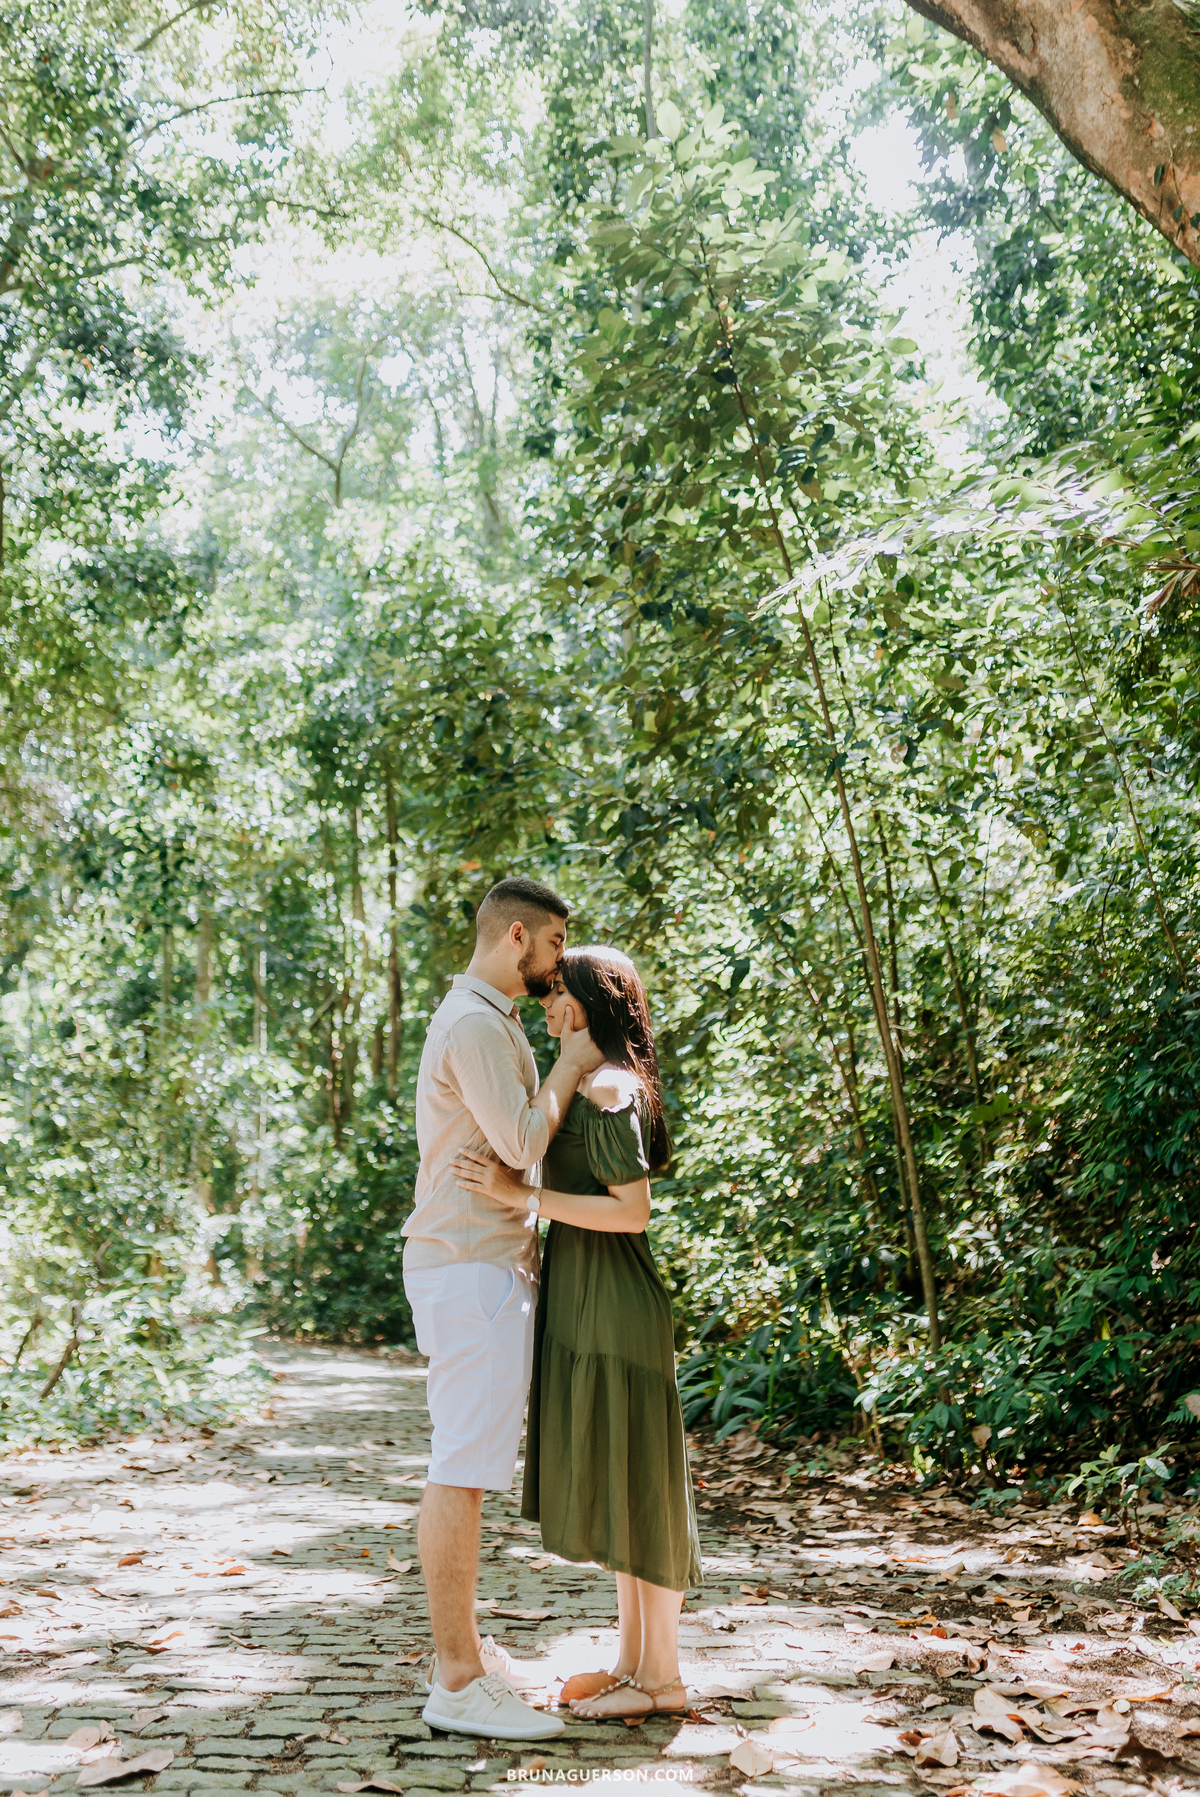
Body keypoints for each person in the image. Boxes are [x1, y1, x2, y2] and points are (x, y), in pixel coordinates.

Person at [453, 945, 702, 1722]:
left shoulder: (610, 1086)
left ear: (592, 1002)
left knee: (644, 1492)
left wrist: (516, 1197)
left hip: (615, 1301)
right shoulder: (588, 1080)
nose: (548, 1001)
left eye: (559, 990)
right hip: (586, 1298)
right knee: (626, 1487)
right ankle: (633, 1664)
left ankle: (661, 1677)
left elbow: (632, 1212)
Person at [404, 877, 603, 1742]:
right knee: (463, 1468)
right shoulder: (479, 1024)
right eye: (556, 942)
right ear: (517, 936)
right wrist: (571, 1063)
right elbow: (522, 1143)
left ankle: (467, 1655)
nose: (561, 960)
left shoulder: (486, 1018)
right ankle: (456, 1682)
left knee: (469, 1462)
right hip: (471, 1265)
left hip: (481, 1261)